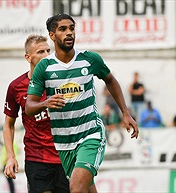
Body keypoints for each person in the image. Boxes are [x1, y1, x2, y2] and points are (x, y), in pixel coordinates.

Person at [25, 14, 139, 193]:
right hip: (63, 141)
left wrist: (125, 112)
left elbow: (110, 80)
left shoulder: (89, 59)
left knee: (76, 188)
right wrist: (45, 103)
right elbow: (29, 107)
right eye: (63, 29)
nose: (69, 33)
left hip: (90, 133)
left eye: (71, 28)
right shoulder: (45, 67)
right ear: (52, 35)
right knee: (86, 188)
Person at [2, 35, 69, 193]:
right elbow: (8, 125)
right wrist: (10, 156)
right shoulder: (16, 86)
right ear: (28, 57)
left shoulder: (62, 81)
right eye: (40, 52)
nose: (46, 55)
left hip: (65, 156)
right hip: (37, 158)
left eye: (48, 50)